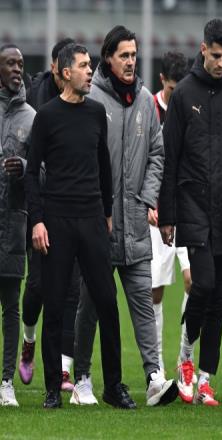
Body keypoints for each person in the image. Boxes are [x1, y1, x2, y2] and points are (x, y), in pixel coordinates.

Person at [71, 26, 177, 407]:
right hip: (98, 223)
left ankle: (154, 378)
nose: (131, 61)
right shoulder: (91, 99)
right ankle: (82, 378)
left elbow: (158, 154)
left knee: (143, 305)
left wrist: (147, 197)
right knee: (90, 307)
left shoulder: (146, 101)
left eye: (134, 55)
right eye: (124, 55)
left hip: (134, 222)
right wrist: (95, 205)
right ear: (108, 58)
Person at [25, 43, 135, 409]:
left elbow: (104, 166)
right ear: (65, 72)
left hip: (92, 220)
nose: (91, 71)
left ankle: (113, 386)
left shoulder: (96, 112)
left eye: (91, 65)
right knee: (55, 306)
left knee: (107, 302)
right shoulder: (46, 116)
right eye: (84, 66)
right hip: (56, 220)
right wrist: (38, 221)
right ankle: (52, 389)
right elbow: (31, 173)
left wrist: (107, 212)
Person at [158, 18, 222, 406]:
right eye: (215, 55)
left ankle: (206, 378)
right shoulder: (184, 94)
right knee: (204, 285)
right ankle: (185, 357)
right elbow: (169, 157)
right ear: (203, 49)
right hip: (192, 203)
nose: (221, 63)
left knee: (220, 300)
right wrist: (166, 214)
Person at [19, 36, 78, 393]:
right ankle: (28, 340)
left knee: (73, 289)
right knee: (38, 286)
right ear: (57, 67)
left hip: (74, 209)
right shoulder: (35, 99)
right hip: (39, 208)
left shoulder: (85, 102)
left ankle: (64, 370)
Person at [150, 51, 192, 377]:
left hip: (188, 208)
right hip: (157, 211)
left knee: (194, 282)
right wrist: (150, 203)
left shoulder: (192, 107)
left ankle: (184, 361)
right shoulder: (149, 110)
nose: (177, 96)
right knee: (156, 290)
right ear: (162, 80)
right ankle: (158, 365)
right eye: (172, 89)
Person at [0, 44, 35, 407]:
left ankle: (7, 381)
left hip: (13, 224)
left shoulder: (32, 118)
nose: (16, 69)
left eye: (20, 64)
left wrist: (25, 169)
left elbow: (44, 170)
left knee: (11, 307)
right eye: (10, 63)